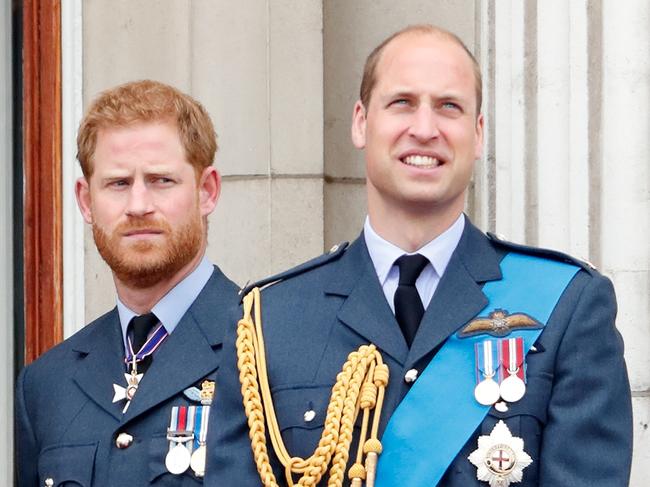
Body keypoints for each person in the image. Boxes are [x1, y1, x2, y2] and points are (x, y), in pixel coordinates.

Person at [206, 25, 633, 486]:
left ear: (478, 132)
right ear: (360, 122)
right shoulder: (271, 321)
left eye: (449, 107)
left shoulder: (568, 307)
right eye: (402, 103)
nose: (425, 129)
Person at [15, 80, 240, 486]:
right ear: (86, 201)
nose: (138, 206)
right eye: (118, 184)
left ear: (207, 191)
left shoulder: (266, 348)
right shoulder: (46, 384)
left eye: (160, 181)